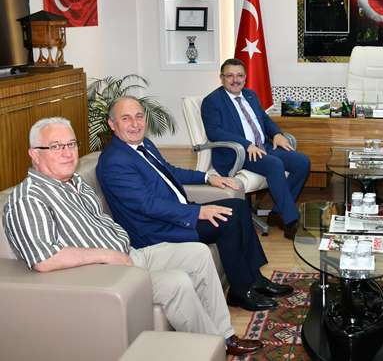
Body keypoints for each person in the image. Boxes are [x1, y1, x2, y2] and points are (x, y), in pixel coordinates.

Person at [2, 117, 262, 357]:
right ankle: (212, 348)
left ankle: (225, 335)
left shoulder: (75, 183)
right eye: (56, 146)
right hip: (105, 274)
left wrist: (119, 246)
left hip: (130, 254)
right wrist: (107, 255)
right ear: (34, 153)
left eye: (71, 144)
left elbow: (102, 222)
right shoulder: (28, 199)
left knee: (199, 253)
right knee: (177, 282)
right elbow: (44, 259)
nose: (68, 152)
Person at [96, 96, 292, 312]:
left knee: (239, 207)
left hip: (175, 215)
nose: (135, 124)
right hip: (156, 230)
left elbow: (170, 171)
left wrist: (208, 178)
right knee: (228, 221)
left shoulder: (143, 145)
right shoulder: (114, 161)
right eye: (126, 118)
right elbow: (147, 205)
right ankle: (240, 291)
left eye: (139, 116)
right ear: (112, 124)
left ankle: (255, 279)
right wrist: (197, 211)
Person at [201, 58, 311, 239]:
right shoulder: (212, 101)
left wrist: (277, 134)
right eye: (229, 75)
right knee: (274, 164)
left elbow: (264, 119)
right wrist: (246, 145)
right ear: (221, 78)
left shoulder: (250, 95)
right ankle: (291, 220)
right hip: (237, 153)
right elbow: (214, 132)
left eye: (239, 75)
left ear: (245, 77)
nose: (235, 80)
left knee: (302, 162)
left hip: (263, 147)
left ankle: (278, 213)